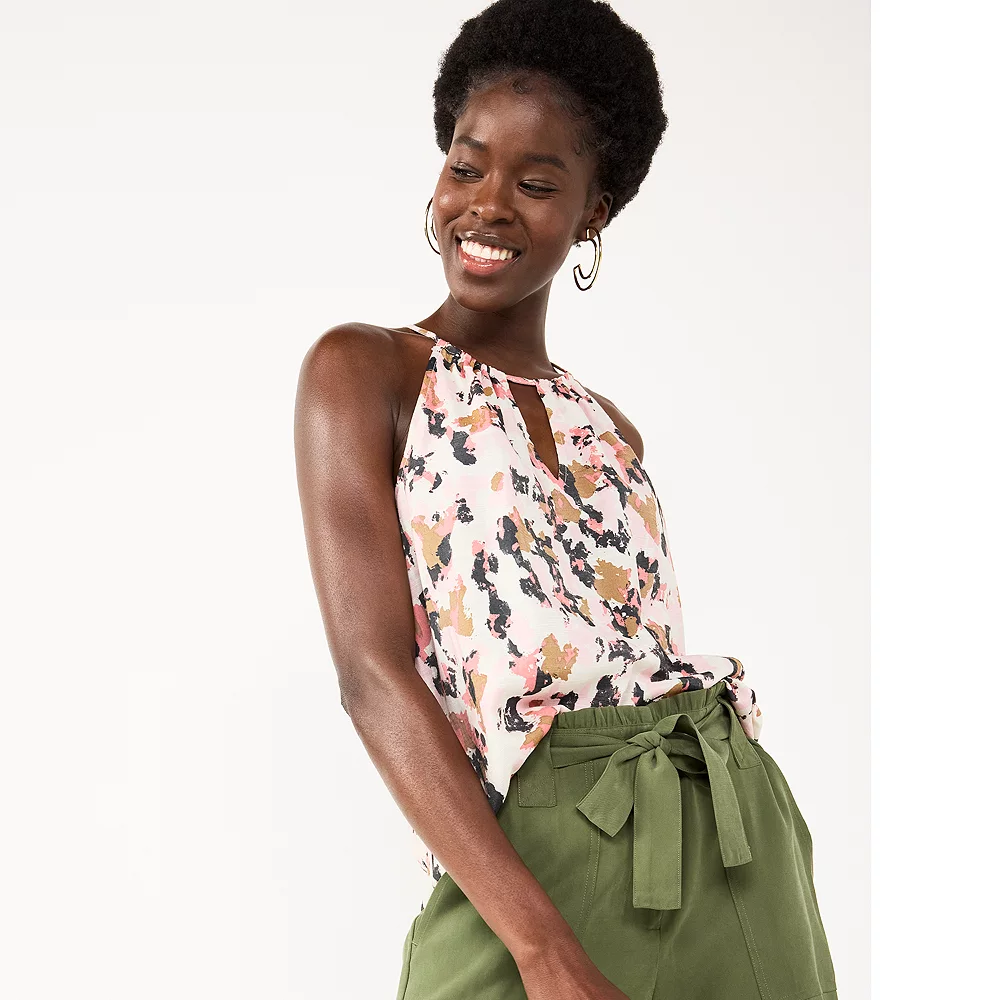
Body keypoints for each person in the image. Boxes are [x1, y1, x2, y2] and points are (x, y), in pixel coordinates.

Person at [294, 1, 837, 998]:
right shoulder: (367, 372)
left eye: (536, 184)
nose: (487, 205)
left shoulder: (610, 429)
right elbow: (372, 675)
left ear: (593, 213)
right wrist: (541, 950)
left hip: (727, 830)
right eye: (466, 167)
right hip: (529, 858)